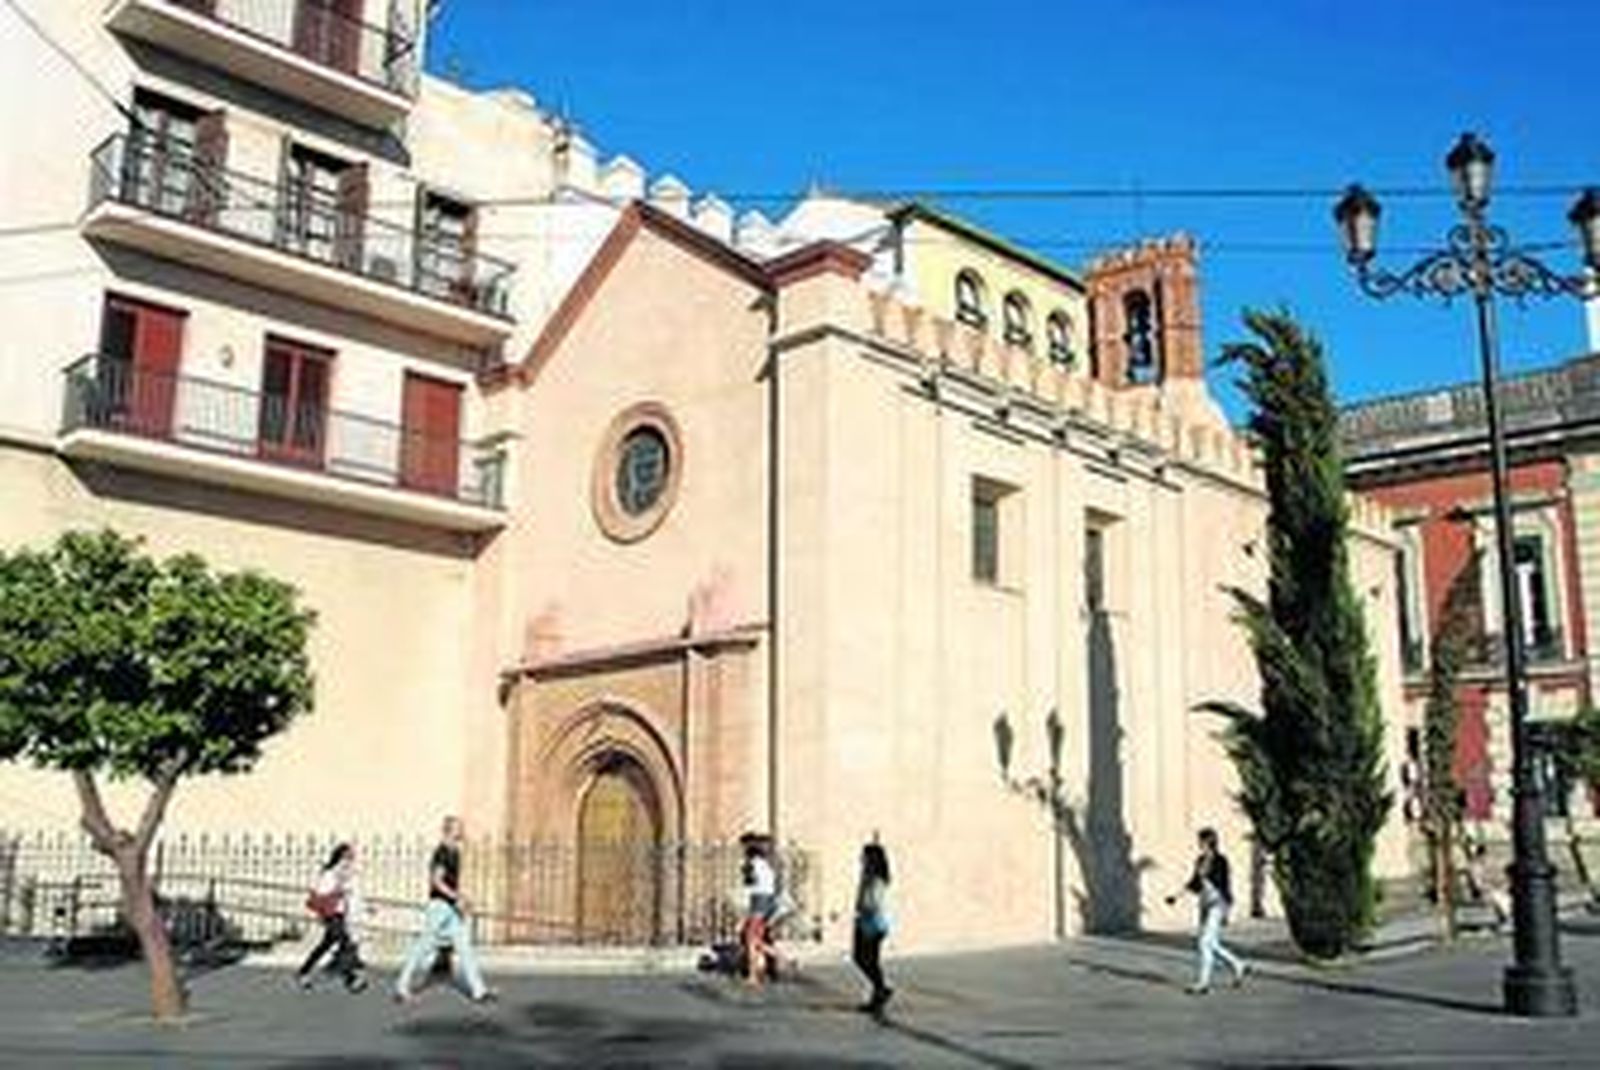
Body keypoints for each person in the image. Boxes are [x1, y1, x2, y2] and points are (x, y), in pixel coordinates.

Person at [393, 816, 495, 1005]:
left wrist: (459, 900)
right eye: (458, 828)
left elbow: (449, 882)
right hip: (439, 907)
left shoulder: (454, 852)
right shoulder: (442, 852)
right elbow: (437, 881)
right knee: (423, 947)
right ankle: (401, 986)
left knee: (464, 947)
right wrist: (457, 898)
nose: (462, 831)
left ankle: (479, 991)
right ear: (449, 830)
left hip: (449, 907)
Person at [1166, 827, 1248, 994]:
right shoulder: (1200, 861)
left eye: (1202, 841)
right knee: (1212, 943)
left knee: (1204, 943)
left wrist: (1226, 908)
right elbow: (1194, 883)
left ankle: (1203, 983)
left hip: (1217, 904)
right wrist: (1176, 896)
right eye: (1200, 841)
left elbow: (1225, 884)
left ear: (1210, 842)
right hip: (1204, 904)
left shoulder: (1221, 861)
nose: (1200, 844)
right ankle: (1238, 965)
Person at [297, 842, 367, 992]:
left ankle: (304, 971)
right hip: (331, 914)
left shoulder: (347, 874)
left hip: (340, 914)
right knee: (345, 942)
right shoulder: (330, 874)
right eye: (348, 856)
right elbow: (321, 893)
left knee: (326, 944)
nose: (351, 860)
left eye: (352, 857)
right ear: (340, 857)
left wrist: (363, 907)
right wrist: (338, 891)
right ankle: (351, 978)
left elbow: (352, 896)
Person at [852, 841, 893, 1014]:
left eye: (865, 855)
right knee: (865, 960)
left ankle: (881, 989)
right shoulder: (867, 875)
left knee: (864, 959)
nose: (862, 859)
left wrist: (863, 908)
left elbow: (874, 902)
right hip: (866, 921)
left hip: (872, 923)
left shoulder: (876, 879)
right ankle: (879, 993)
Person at [739, 832, 779, 988]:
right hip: (769, 900)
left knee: (750, 939)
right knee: (757, 938)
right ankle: (780, 960)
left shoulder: (752, 864)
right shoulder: (766, 865)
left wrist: (745, 872)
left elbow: (749, 882)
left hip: (759, 901)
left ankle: (753, 976)